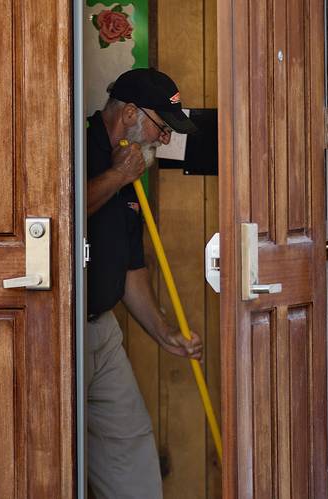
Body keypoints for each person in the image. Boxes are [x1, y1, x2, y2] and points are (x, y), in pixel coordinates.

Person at [86, 68, 204, 498]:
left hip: (103, 332)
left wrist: (163, 333)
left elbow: (130, 268)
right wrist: (116, 176)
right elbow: (55, 217)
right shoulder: (76, 148)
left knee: (131, 451)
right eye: (162, 127)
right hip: (59, 335)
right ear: (131, 113)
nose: (166, 139)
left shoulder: (130, 170)